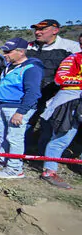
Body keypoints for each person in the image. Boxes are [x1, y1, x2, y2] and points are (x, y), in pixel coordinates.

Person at [0, 38, 43, 179]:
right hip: (3, 105)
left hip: (17, 108)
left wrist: (21, 112)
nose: (5, 54)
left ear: (21, 52)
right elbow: (3, 86)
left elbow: (33, 93)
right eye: (4, 51)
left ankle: (15, 168)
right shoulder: (9, 66)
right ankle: (3, 160)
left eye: (8, 52)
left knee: (14, 138)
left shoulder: (31, 68)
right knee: (1, 134)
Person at [26, 19, 81, 153]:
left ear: (55, 30)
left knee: (49, 125)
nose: (37, 32)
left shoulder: (71, 46)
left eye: (42, 29)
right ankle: (23, 152)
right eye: (36, 29)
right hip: (31, 91)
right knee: (26, 121)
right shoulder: (28, 46)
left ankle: (43, 154)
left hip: (55, 94)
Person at [39, 50, 82, 189]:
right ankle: (49, 171)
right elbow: (60, 79)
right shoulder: (74, 58)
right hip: (71, 100)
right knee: (61, 137)